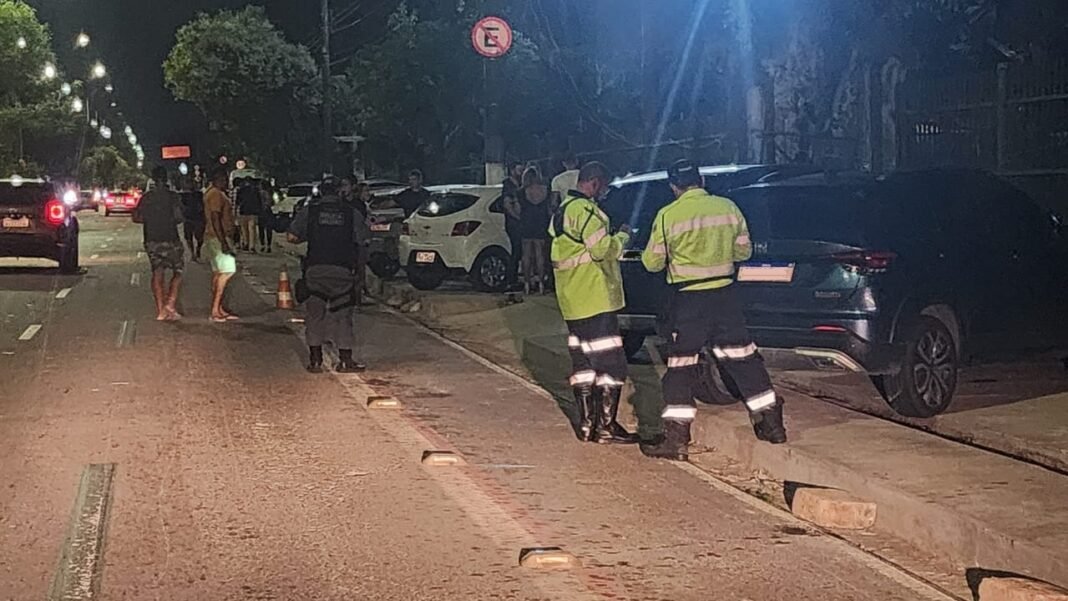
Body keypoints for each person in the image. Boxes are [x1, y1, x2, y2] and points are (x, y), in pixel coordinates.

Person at [639, 159, 786, 461]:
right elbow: (743, 251)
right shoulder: (728, 207)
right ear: (701, 181)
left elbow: (651, 263)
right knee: (743, 359)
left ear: (673, 186)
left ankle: (677, 440)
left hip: (689, 300)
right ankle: (773, 425)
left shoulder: (668, 215)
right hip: (725, 297)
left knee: (681, 366)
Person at [549, 161, 638, 445]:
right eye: (604, 186)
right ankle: (606, 427)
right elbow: (601, 250)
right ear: (596, 183)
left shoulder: (563, 211)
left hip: (572, 300)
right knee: (612, 365)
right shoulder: (587, 212)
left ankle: (587, 425)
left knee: (583, 364)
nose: (605, 192)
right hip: (594, 299)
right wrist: (623, 236)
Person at [288, 176, 366, 374]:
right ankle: (345, 361)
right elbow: (362, 243)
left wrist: (310, 237)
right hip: (342, 272)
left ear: (321, 192)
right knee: (343, 317)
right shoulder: (352, 213)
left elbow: (292, 237)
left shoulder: (310, 211)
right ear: (340, 191)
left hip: (316, 270)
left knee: (315, 316)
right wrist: (360, 275)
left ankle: (315, 361)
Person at [133, 166, 185, 321]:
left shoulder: (146, 198)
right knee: (178, 271)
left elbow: (136, 217)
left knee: (157, 272)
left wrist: (150, 220)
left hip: (151, 239)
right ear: (166, 178)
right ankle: (171, 303)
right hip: (170, 238)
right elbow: (178, 217)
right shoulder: (173, 197)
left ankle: (161, 310)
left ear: (153, 179)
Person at [203, 168, 239, 322]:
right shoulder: (216, 194)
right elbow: (215, 217)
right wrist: (223, 242)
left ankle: (218, 308)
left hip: (215, 237)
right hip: (218, 237)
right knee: (228, 271)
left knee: (219, 273)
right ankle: (215, 309)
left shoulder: (212, 193)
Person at [518, 166, 551, 295]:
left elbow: (518, 209)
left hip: (526, 223)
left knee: (526, 255)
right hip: (541, 223)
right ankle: (541, 284)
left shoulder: (521, 192)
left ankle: (527, 284)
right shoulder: (545, 190)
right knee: (540, 254)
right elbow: (550, 208)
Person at [502, 161, 525, 290]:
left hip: (518, 222)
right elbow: (507, 204)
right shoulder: (508, 185)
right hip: (513, 223)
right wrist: (518, 218)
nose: (521, 173)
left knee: (519, 251)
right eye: (519, 170)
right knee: (516, 251)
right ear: (512, 170)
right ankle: (511, 280)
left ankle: (513, 279)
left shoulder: (521, 184)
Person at [180, 183, 205, 262]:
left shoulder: (199, 194)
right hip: (188, 218)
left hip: (198, 218)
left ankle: (198, 249)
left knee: (200, 237)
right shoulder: (183, 195)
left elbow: (203, 204)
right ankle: (192, 253)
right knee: (188, 237)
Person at [236, 178, 261, 252]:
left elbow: (238, 201)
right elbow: (259, 201)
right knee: (252, 229)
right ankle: (252, 246)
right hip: (253, 211)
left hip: (243, 211)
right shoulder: (255, 190)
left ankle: (246, 243)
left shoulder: (241, 190)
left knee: (244, 229)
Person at [257, 180, 274, 253]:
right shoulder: (270, 193)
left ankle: (262, 245)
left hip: (261, 212)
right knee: (269, 229)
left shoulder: (259, 193)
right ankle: (269, 245)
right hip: (268, 212)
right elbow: (270, 203)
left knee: (261, 229)